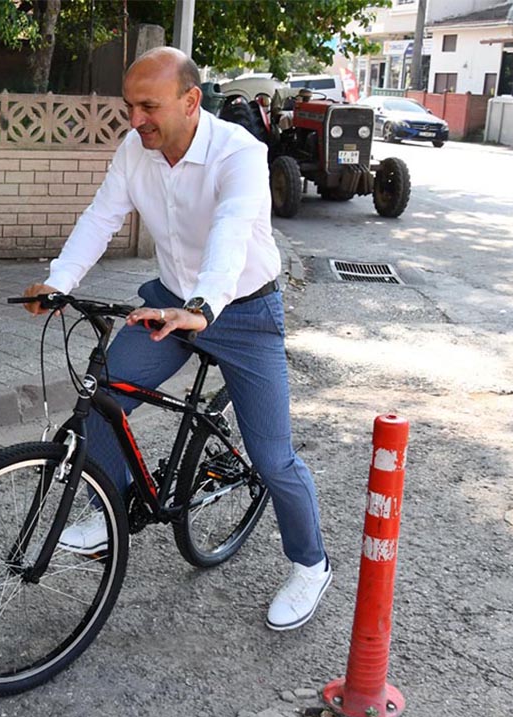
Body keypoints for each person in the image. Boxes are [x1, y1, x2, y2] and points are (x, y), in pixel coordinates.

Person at [22, 47, 330, 631]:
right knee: (102, 397)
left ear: (191, 102)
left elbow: (232, 229)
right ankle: (106, 510)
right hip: (168, 301)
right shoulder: (136, 153)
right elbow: (99, 218)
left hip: (240, 311)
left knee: (271, 456)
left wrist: (204, 306)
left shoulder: (239, 154)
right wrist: (60, 283)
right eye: (128, 106)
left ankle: (310, 563)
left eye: (148, 106)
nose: (134, 119)